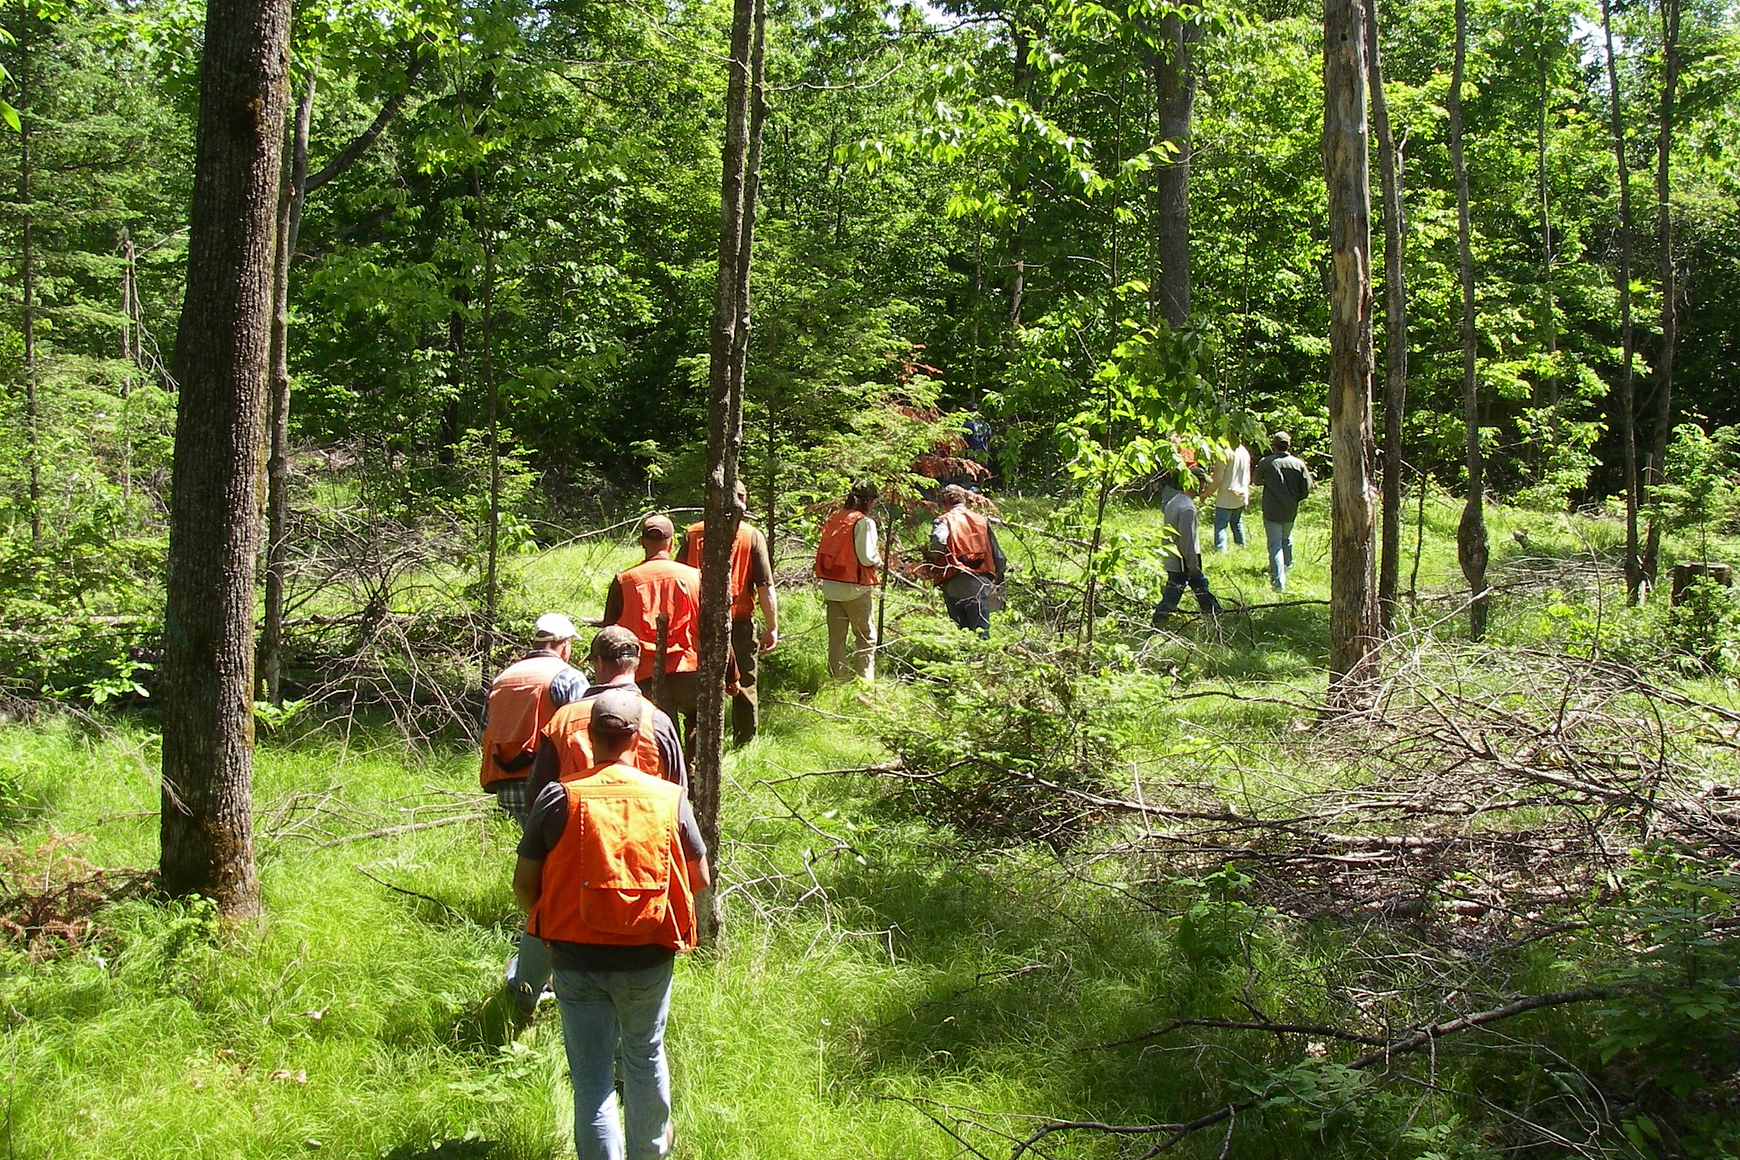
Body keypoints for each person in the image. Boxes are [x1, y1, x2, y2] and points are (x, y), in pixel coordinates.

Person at [514, 689, 709, 1160]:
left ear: (588, 735)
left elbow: (524, 883)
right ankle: (650, 1153)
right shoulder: (668, 798)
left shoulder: (559, 796)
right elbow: (699, 876)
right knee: (644, 1057)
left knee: (593, 1079)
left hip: (576, 956)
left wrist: (549, 917)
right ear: (637, 736)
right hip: (649, 952)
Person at [508, 627, 688, 1015]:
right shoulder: (657, 721)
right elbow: (677, 797)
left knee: (545, 912)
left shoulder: (565, 719)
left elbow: (537, 793)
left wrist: (537, 844)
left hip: (570, 851)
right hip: (642, 863)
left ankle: (524, 996)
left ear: (597, 664)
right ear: (636, 664)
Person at [675, 480, 778, 744]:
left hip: (698, 622)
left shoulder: (694, 533)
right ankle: (744, 741)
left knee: (701, 681)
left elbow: (676, 578)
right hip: (738, 622)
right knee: (744, 683)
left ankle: (699, 742)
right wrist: (772, 625)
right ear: (744, 501)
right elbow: (765, 585)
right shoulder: (751, 535)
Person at [479, 613, 587, 823]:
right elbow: (584, 732)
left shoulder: (502, 678)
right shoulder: (569, 677)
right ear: (564, 645)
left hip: (506, 787)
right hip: (553, 785)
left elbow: (483, 731)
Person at [602, 515, 701, 742]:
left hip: (645, 674)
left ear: (642, 542)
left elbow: (609, 634)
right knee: (697, 724)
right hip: (689, 669)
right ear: (672, 542)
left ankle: (667, 775)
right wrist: (732, 674)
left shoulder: (624, 581)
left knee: (660, 736)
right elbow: (714, 629)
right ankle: (695, 773)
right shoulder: (695, 577)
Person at [814, 481, 884, 681]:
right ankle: (865, 684)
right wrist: (879, 560)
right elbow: (867, 557)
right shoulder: (864, 522)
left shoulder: (836, 517)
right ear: (868, 501)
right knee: (865, 637)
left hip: (831, 586)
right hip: (855, 588)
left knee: (836, 639)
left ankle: (839, 681)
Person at [927, 484, 1006, 637]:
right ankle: (982, 659)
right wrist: (999, 577)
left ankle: (965, 659)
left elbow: (938, 543)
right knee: (981, 631)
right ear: (963, 500)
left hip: (954, 580)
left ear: (945, 503)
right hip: (980, 582)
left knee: (961, 631)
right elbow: (998, 554)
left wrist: (931, 559)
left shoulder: (944, 520)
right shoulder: (981, 520)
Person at [1150, 467, 1223, 624]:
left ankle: (1215, 614)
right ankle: (1158, 621)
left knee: (1201, 587)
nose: (1204, 487)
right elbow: (1186, 539)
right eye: (1202, 483)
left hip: (1175, 556)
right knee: (1173, 594)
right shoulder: (1187, 508)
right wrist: (1192, 565)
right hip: (1182, 560)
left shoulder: (1174, 501)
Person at [1253, 431, 1314, 592]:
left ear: (1273, 446)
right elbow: (1306, 488)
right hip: (1290, 508)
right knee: (1286, 539)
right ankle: (1288, 567)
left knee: (1275, 545)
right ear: (1289, 445)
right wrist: (1294, 499)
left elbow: (1256, 480)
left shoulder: (1266, 462)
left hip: (1271, 509)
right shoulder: (1298, 464)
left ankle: (1278, 583)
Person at [1211, 440, 1252, 551]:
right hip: (1241, 494)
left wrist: (1206, 494)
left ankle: (1220, 551)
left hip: (1226, 496)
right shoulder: (1244, 451)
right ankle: (1242, 547)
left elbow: (1217, 478)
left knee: (1221, 525)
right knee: (1237, 522)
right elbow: (1248, 474)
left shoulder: (1224, 453)